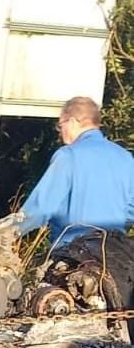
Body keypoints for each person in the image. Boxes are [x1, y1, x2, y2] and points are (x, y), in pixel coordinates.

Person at [14, 96, 134, 247]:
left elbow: (41, 207)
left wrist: (9, 231)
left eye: (60, 125)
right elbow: (131, 211)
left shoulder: (68, 155)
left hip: (74, 254)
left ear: (71, 121)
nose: (59, 132)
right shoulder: (125, 157)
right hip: (115, 256)